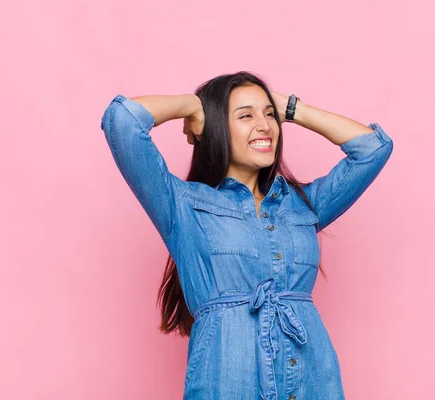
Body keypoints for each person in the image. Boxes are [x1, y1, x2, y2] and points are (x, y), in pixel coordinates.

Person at [99, 71, 394, 400]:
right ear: (215, 128)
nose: (266, 125)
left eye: (269, 114)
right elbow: (123, 121)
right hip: (226, 383)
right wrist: (195, 107)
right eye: (245, 115)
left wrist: (294, 110)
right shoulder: (184, 206)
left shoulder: (303, 205)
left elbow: (373, 148)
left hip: (313, 381)